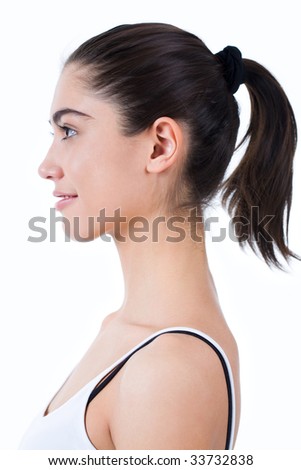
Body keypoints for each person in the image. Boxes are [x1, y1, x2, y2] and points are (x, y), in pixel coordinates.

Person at [19, 22, 298, 450]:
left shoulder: (169, 369)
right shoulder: (127, 335)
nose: (46, 165)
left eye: (70, 131)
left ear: (160, 147)